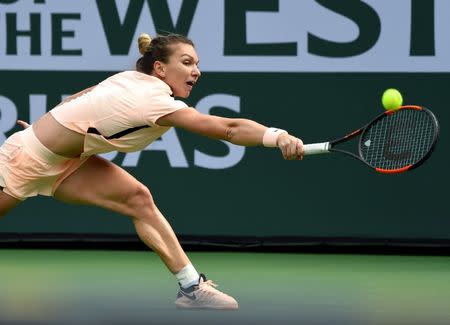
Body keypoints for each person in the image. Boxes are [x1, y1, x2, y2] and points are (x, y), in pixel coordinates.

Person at [0, 32, 304, 309]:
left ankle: (191, 288)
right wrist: (278, 137)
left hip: (66, 163)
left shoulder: (131, 79)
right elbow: (228, 129)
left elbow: (80, 97)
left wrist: (46, 129)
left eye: (197, 64)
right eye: (186, 63)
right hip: (22, 161)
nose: (196, 71)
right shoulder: (151, 100)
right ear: (159, 68)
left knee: (137, 198)